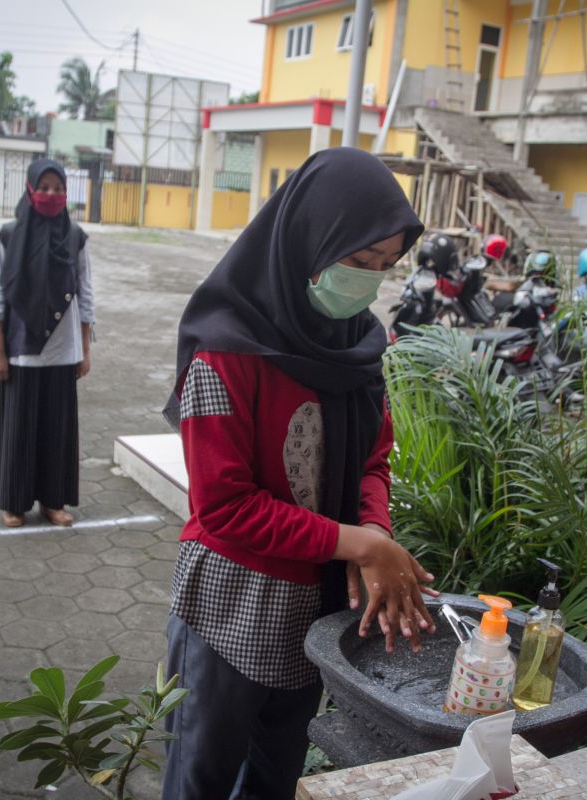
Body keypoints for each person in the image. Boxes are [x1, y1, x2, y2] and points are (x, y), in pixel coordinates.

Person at [160, 147, 439, 800]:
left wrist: (370, 531)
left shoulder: (359, 347)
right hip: (233, 606)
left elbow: (373, 459)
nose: (368, 282)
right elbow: (224, 508)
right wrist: (359, 543)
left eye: (384, 267)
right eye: (356, 262)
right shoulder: (225, 353)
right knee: (199, 778)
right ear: (308, 242)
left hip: (314, 610)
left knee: (274, 778)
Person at [0, 159, 94, 529]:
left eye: (57, 188)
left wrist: (85, 348)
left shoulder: (75, 236)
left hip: (63, 348)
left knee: (57, 429)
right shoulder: (9, 235)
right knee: (19, 430)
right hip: (20, 347)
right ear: (30, 190)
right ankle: (14, 502)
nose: (50, 195)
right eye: (43, 187)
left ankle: (52, 501)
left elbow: (86, 292)